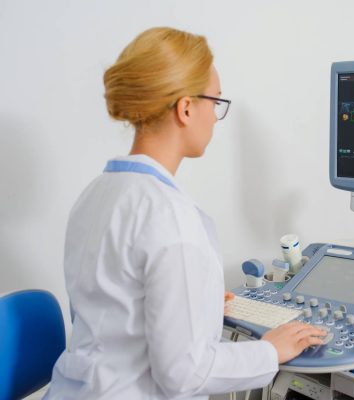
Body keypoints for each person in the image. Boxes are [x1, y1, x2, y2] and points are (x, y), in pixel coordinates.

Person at [44, 27, 325, 400]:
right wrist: (270, 351)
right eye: (215, 102)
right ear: (187, 108)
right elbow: (184, 375)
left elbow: (112, 310)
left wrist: (200, 300)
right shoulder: (170, 217)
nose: (214, 117)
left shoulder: (95, 193)